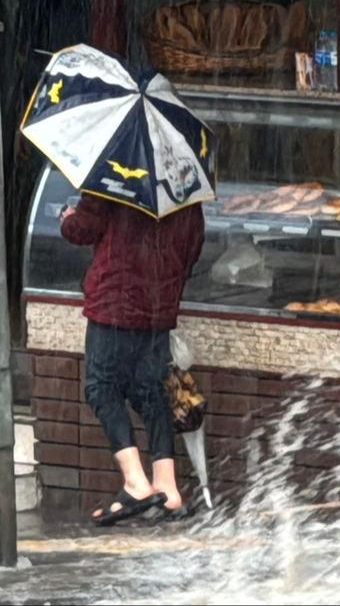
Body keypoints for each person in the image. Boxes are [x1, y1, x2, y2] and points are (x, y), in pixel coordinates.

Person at [60, 195, 205, 525]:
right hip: (159, 305)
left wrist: (68, 218)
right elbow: (194, 246)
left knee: (101, 388)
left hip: (115, 301)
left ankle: (136, 483)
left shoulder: (114, 175)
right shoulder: (181, 184)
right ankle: (167, 488)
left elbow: (83, 229)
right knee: (151, 392)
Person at [5, 0, 90, 344]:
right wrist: (23, 118)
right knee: (34, 200)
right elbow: (27, 58)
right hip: (37, 101)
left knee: (66, 196)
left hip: (72, 103)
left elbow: (72, 55)